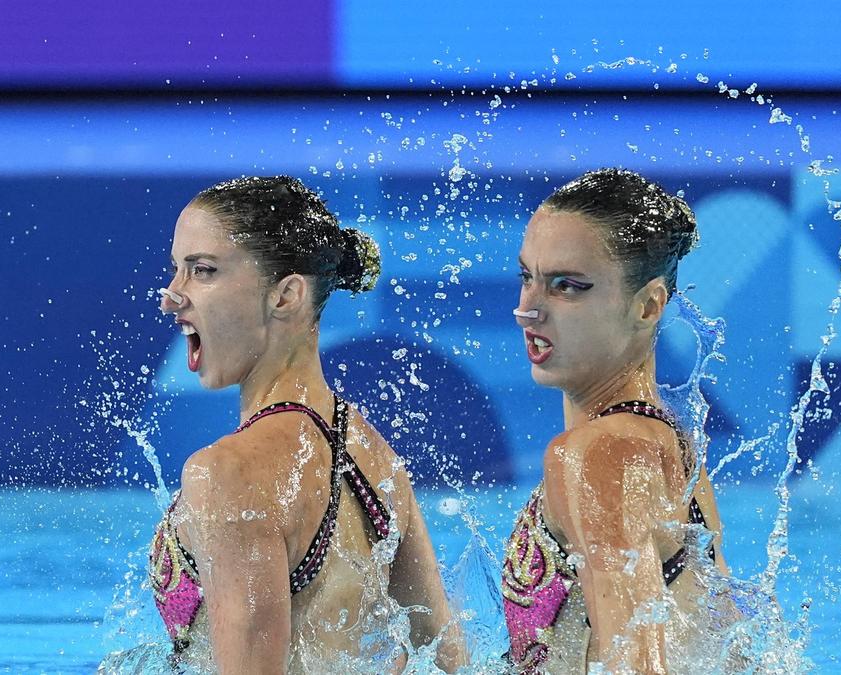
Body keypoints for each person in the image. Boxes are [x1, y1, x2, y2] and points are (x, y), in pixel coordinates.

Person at [146, 176, 465, 673]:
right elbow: (449, 657)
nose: (171, 295)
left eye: (202, 271)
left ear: (286, 295)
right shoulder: (371, 454)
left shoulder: (228, 474)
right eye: (176, 270)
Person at [501, 168, 730, 673]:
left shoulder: (598, 456)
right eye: (527, 277)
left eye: (567, 286)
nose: (528, 310)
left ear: (647, 306)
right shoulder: (666, 442)